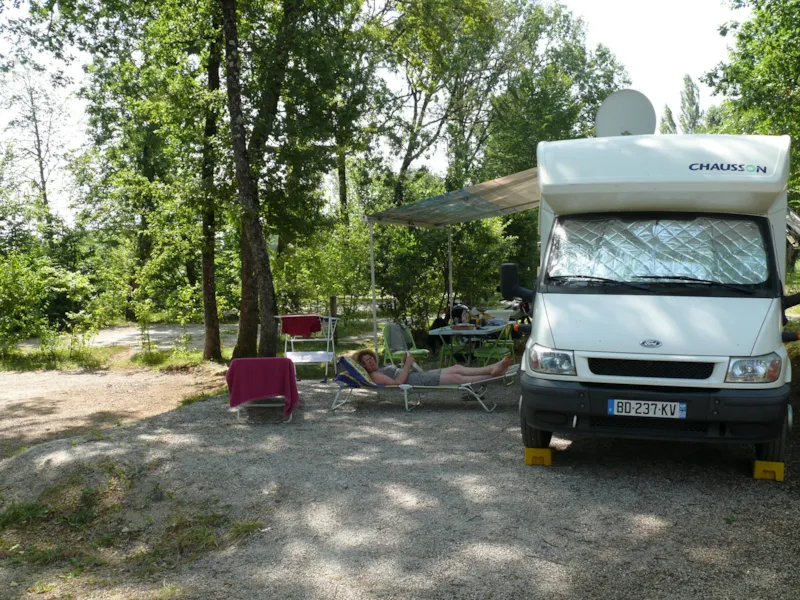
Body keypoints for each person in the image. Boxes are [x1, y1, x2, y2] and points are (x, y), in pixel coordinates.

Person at [354, 349, 511, 386]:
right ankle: (493, 374)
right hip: (414, 381)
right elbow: (397, 383)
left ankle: (492, 368)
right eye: (367, 361)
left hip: (416, 375)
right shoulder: (375, 375)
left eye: (371, 358)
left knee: (457, 367)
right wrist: (407, 365)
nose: (371, 361)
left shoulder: (380, 368)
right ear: (364, 366)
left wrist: (405, 363)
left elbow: (399, 373)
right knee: (456, 378)